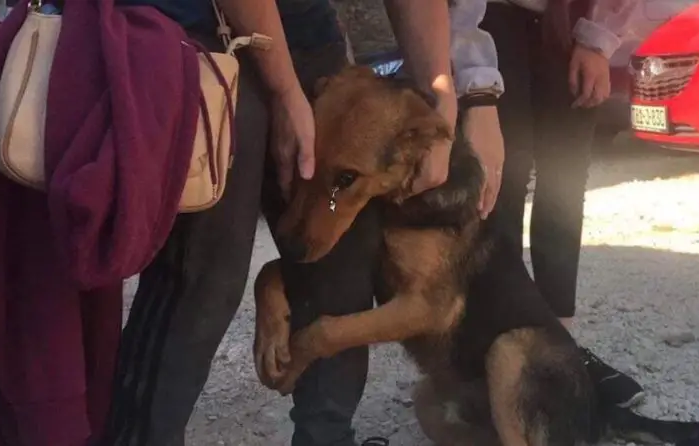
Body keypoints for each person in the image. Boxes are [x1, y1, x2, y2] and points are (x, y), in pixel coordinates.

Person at [101, 1, 484, 446]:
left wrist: (442, 105)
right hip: (202, 30)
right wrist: (285, 92)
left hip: (307, 33)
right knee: (206, 277)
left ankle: (325, 439)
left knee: (342, 268)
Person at [465, 0, 646, 407]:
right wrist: (471, 78)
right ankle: (500, 348)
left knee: (563, 181)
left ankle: (561, 349)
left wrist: (599, 41)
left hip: (572, 18)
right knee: (502, 180)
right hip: (487, 16)